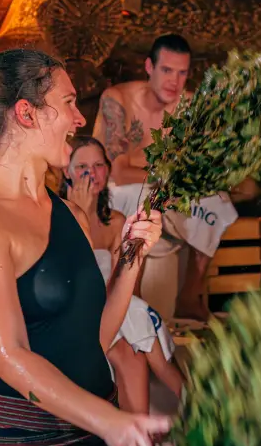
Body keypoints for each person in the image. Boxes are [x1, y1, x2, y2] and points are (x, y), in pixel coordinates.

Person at [0, 48, 170, 446]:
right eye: (68, 103)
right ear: (27, 113)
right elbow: (11, 357)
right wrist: (110, 421)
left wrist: (134, 254)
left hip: (89, 438)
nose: (80, 120)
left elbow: (94, 338)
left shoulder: (69, 214)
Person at [94, 34, 237, 321]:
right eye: (167, 70)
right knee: (145, 199)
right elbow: (119, 171)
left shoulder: (188, 107)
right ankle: (131, 295)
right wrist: (169, 180)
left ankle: (189, 295)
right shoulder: (119, 100)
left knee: (220, 203)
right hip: (117, 187)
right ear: (150, 67)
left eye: (182, 72)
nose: (174, 81)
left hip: (163, 184)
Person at [60, 136, 185, 416]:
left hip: (116, 309)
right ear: (66, 172)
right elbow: (66, 278)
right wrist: (77, 213)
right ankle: (191, 399)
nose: (91, 173)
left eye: (99, 165)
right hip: (77, 314)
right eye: (81, 166)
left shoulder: (115, 221)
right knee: (135, 328)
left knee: (134, 350)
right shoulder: (57, 216)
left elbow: (126, 282)